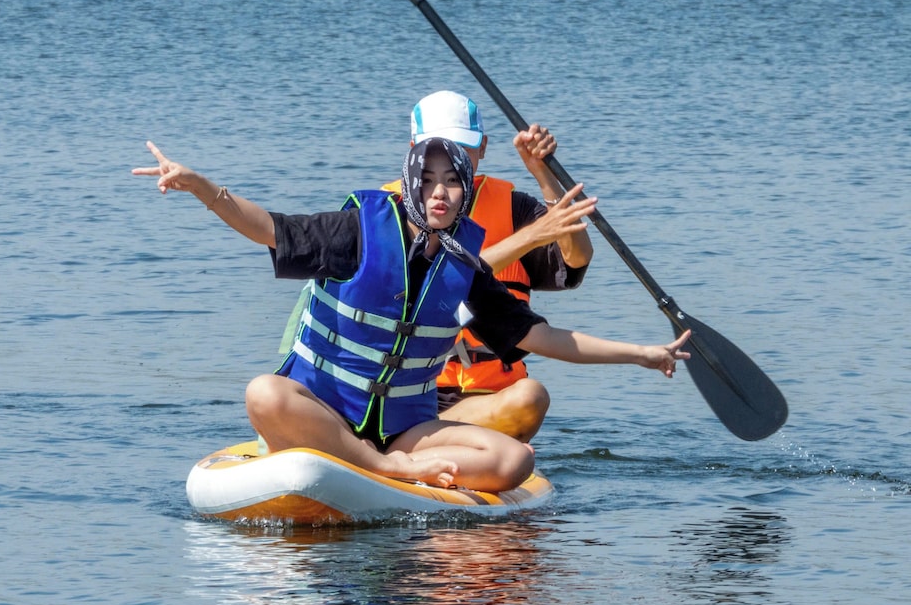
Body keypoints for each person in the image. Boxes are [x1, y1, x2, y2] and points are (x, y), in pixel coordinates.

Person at [132, 137, 690, 493]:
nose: (438, 193)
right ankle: (383, 470)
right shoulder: (358, 229)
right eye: (425, 181)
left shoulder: (464, 267)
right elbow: (269, 229)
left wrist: (642, 354)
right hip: (323, 413)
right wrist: (201, 187)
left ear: (466, 191)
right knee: (264, 394)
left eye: (451, 181)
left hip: (402, 429)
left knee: (514, 461)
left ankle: (386, 461)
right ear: (408, 184)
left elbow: (540, 336)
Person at [382, 90, 594, 442]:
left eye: (462, 148)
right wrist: (530, 237)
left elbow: (576, 260)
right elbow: (431, 276)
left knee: (530, 398)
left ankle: (444, 443)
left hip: (491, 397)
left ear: (482, 147)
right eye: (437, 148)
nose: (452, 159)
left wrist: (544, 175)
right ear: (413, 150)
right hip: (408, 393)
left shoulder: (514, 208)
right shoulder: (385, 212)